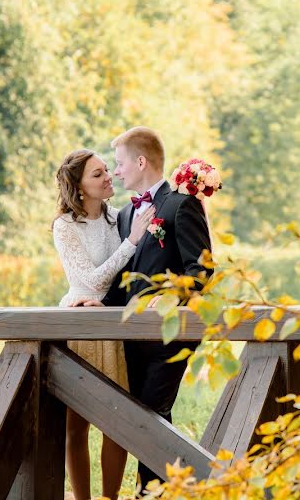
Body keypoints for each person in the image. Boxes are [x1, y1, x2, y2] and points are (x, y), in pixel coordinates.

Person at [103, 126, 213, 491]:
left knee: (150, 417)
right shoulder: (122, 217)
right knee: (148, 418)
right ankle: (175, 489)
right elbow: (125, 279)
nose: (116, 172)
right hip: (130, 338)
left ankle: (167, 489)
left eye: (119, 164)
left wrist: (166, 301)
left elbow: (202, 269)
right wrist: (93, 304)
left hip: (170, 336)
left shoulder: (181, 205)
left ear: (140, 161)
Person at [52, 148, 156, 500]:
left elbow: (126, 275)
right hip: (79, 324)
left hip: (113, 324)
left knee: (116, 420)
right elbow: (92, 281)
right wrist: (131, 242)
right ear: (79, 187)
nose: (108, 177)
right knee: (75, 424)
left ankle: (110, 498)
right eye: (97, 174)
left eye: (107, 170)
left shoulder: (121, 217)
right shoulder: (64, 227)